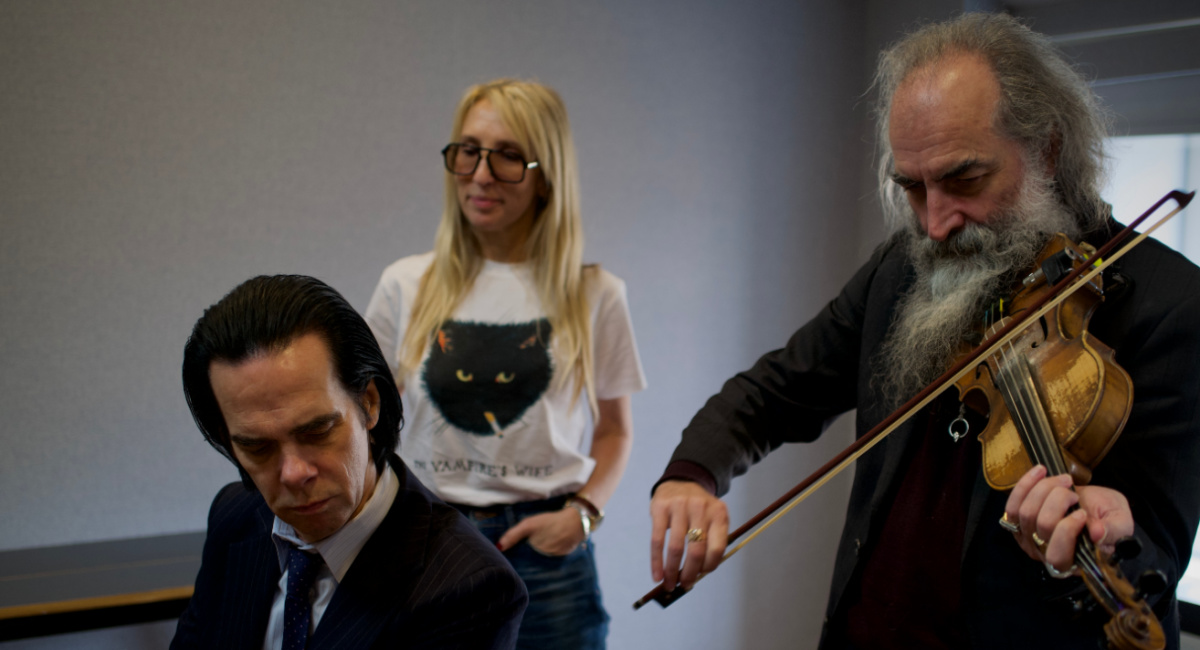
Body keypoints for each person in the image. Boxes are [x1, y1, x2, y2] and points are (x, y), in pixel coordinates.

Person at [649, 13, 1200, 649]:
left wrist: (1102, 540)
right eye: (913, 188)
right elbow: (777, 388)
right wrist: (691, 474)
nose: (935, 223)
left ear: (1048, 148)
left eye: (965, 180)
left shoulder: (1172, 306)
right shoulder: (903, 268)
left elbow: (1154, 557)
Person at [365, 78, 645, 649]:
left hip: (545, 552)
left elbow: (616, 431)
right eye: (469, 151)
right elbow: (363, 420)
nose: (482, 174)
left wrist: (584, 515)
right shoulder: (405, 284)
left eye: (509, 156)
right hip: (428, 540)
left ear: (547, 175)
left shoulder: (596, 294)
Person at [173, 274, 527, 650]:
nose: (294, 473)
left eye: (317, 432)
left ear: (369, 402)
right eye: (258, 448)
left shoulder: (468, 587)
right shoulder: (234, 515)